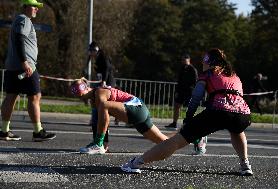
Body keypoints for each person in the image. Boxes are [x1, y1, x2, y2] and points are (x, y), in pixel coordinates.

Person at [121, 48, 253, 176]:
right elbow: (236, 100)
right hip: (243, 115)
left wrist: (188, 118)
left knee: (176, 141)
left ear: (211, 62)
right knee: (237, 131)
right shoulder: (234, 75)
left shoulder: (207, 74)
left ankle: (136, 163)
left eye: (205, 60)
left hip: (218, 112)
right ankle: (245, 165)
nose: (202, 63)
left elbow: (196, 97)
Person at [0, 0, 56, 141]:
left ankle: (4, 131)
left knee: (11, 96)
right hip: (26, 67)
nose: (36, 9)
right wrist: (25, 62)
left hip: (14, 66)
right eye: (34, 6)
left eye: (37, 7)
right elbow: (19, 39)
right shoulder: (24, 19)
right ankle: (38, 132)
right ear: (25, 7)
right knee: (35, 96)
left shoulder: (20, 20)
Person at [70, 78, 168, 154]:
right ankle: (181, 138)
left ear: (87, 88)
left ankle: (98, 144)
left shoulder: (99, 93)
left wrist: (99, 143)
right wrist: (105, 144)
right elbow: (99, 122)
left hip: (136, 108)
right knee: (165, 143)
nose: (81, 99)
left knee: (104, 106)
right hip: (137, 111)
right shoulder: (93, 100)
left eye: (81, 96)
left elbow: (104, 118)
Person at [165, 54, 207, 155]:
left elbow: (196, 81)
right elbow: (179, 80)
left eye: (185, 59)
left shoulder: (192, 69)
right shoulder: (181, 69)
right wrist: (177, 90)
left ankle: (190, 123)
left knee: (190, 108)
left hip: (189, 91)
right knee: (176, 106)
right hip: (181, 91)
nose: (183, 61)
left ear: (188, 60)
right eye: (182, 59)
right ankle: (174, 122)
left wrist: (193, 91)